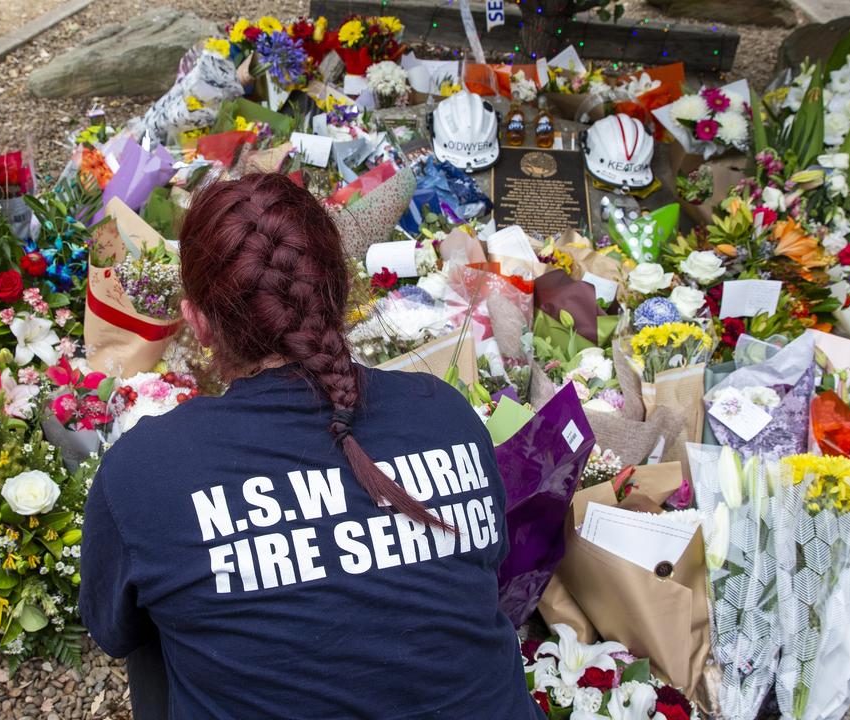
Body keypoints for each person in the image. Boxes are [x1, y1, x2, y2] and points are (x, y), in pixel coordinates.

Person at [79, 173, 539, 719]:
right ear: (343, 294)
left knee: (156, 626)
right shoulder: (443, 413)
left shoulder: (148, 470)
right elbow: (486, 569)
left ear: (198, 323)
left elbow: (113, 629)